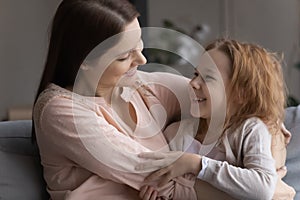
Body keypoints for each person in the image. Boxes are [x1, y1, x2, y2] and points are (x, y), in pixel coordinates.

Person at [32, 0, 198, 199]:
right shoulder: (59, 111)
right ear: (84, 60)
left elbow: (226, 102)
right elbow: (156, 174)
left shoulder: (139, 87)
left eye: (140, 45)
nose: (142, 60)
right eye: (125, 56)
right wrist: (199, 167)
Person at [136, 39, 296, 200]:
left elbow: (263, 189)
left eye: (208, 78)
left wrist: (197, 164)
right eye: (196, 74)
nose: (193, 83)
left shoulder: (251, 129)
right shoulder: (175, 134)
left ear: (242, 93)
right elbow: (166, 186)